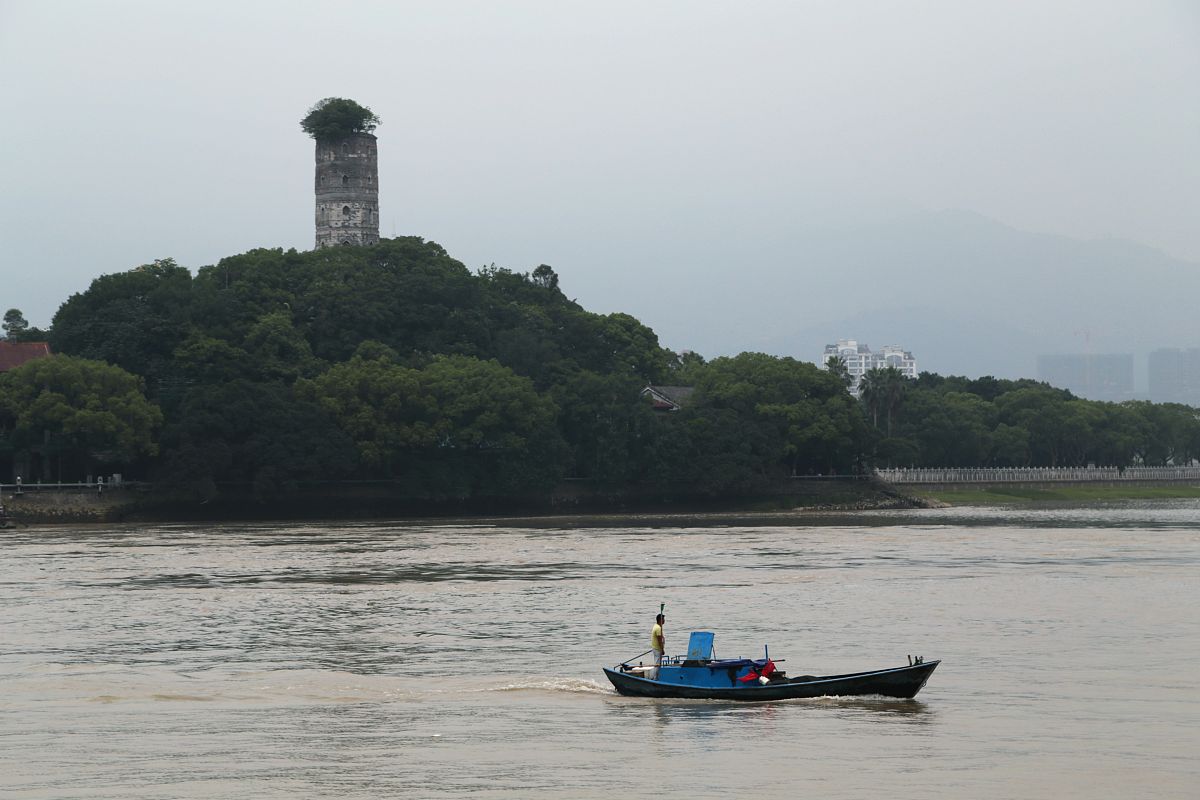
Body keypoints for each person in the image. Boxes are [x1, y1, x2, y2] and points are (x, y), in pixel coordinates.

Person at [650, 613, 665, 679]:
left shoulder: (656, 626)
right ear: (660, 620)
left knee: (657, 663)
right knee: (657, 664)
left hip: (655, 648)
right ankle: (654, 678)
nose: (664, 620)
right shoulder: (658, 628)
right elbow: (659, 640)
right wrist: (662, 649)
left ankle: (656, 677)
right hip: (657, 649)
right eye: (663, 619)